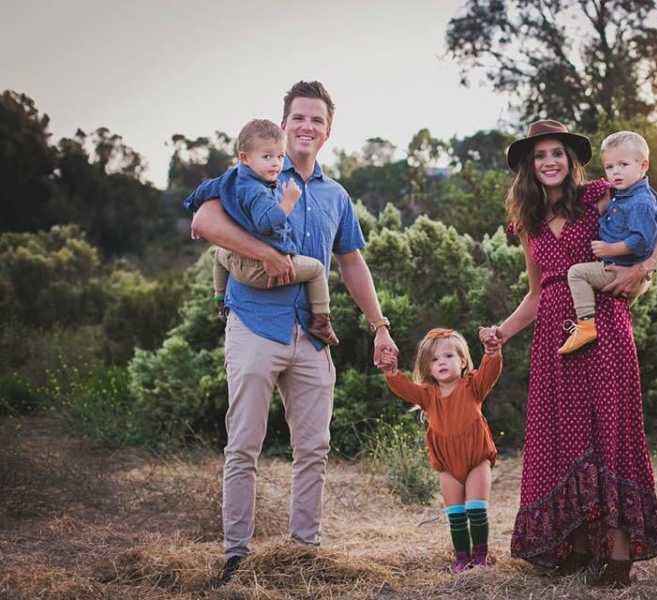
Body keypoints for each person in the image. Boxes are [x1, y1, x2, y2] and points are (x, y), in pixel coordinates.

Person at [184, 80, 398, 584]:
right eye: (299, 117)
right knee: (244, 445)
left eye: (317, 120)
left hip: (311, 335)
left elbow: (352, 263)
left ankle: (303, 555)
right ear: (284, 124)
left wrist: (380, 326)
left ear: (327, 131)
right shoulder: (250, 176)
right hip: (255, 326)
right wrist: (265, 255)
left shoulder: (335, 196)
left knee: (314, 449)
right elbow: (203, 219)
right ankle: (236, 557)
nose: (307, 127)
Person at [479, 119, 657, 587]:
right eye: (540, 155)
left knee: (609, 434)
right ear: (529, 166)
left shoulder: (600, 197)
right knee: (565, 439)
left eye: (557, 154)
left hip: (605, 329)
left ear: (571, 161)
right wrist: (502, 333)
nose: (549, 162)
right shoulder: (528, 224)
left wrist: (643, 269)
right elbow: (536, 294)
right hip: (556, 339)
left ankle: (620, 557)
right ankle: (579, 548)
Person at [196, 118, 337, 345]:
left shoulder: (232, 179)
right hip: (263, 271)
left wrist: (193, 205)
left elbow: (205, 189)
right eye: (267, 157)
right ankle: (321, 322)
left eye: (280, 157)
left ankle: (220, 299)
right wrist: (288, 201)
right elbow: (265, 223)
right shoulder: (257, 190)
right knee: (317, 270)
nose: (275, 164)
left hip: (237, 262)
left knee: (219, 254)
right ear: (244, 157)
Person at [379, 328, 502, 574]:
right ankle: (461, 558)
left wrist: (492, 351)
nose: (441, 362)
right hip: (447, 464)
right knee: (456, 513)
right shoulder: (427, 395)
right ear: (428, 367)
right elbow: (404, 389)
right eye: (434, 360)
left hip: (477, 458)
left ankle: (480, 556)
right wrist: (391, 371)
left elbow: (491, 371)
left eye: (448, 356)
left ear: (463, 361)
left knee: (475, 509)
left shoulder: (473, 386)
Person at [558, 130, 657, 354]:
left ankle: (586, 326)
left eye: (623, 165)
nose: (615, 172)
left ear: (643, 166)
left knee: (577, 273)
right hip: (623, 270)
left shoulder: (641, 202)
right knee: (615, 320)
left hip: (623, 268)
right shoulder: (623, 194)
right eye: (610, 167)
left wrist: (610, 249)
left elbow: (642, 241)